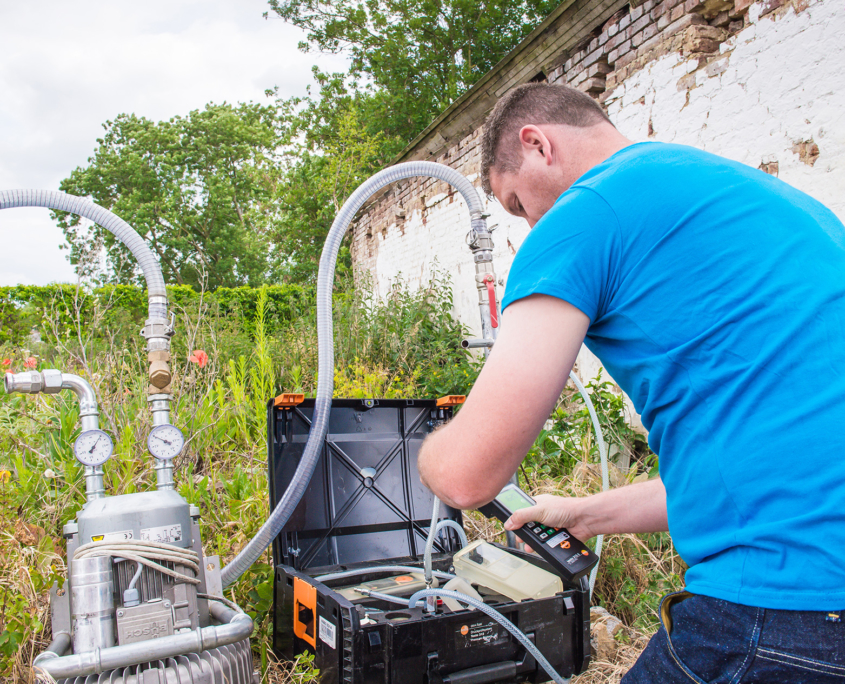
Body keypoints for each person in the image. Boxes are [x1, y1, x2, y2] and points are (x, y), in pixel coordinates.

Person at [417, 82, 845, 682]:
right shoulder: (761, 199)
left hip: (780, 615)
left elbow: (468, 475)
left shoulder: (585, 214)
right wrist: (586, 513)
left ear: (537, 145)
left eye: (517, 205)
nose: (527, 227)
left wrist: (427, 454)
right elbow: (769, 483)